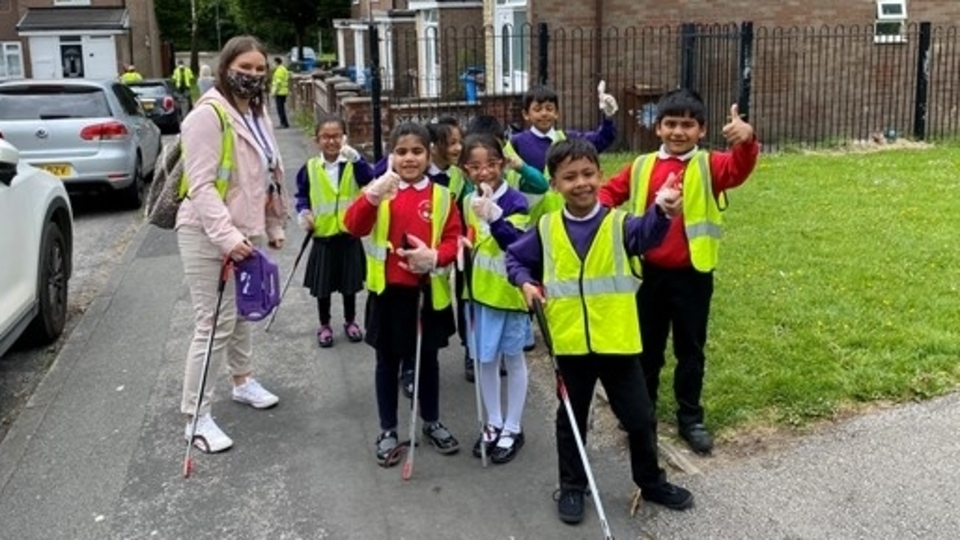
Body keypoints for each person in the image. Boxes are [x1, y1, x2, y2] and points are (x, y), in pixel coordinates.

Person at [506, 138, 694, 525]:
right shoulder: (545, 228)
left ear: (600, 175)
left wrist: (663, 210)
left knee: (640, 418)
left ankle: (651, 481)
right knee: (571, 419)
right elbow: (516, 258)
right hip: (571, 344)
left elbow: (648, 233)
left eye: (588, 174)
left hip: (618, 342)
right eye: (570, 177)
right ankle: (572, 486)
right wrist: (524, 281)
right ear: (554, 184)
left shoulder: (619, 224)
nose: (581, 183)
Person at [598, 88, 759, 455]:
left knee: (691, 349)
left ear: (701, 130)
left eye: (688, 125)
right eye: (671, 124)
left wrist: (747, 141)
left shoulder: (709, 164)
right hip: (647, 275)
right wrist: (611, 226)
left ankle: (691, 417)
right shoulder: (642, 166)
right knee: (646, 349)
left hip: (692, 275)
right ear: (658, 128)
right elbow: (608, 194)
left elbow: (739, 169)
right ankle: (643, 412)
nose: (678, 132)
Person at [176, 35, 288, 453]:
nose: (254, 75)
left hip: (247, 230)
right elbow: (202, 186)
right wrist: (228, 238)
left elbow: (270, 174)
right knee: (213, 324)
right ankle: (196, 417)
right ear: (226, 69)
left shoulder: (258, 114)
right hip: (208, 234)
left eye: (260, 69)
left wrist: (273, 225)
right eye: (246, 68)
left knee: (242, 313)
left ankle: (242, 382)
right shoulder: (208, 115)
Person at [343, 122, 461, 467]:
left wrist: (435, 257)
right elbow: (353, 226)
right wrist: (371, 196)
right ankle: (388, 429)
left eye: (417, 151)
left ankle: (432, 421)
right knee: (387, 363)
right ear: (391, 155)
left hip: (426, 294)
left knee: (428, 362)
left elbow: (455, 239)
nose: (409, 158)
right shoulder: (380, 190)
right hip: (389, 294)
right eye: (401, 152)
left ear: (429, 155)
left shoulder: (441, 196)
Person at [459, 134, 531, 464]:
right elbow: (470, 241)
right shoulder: (466, 200)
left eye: (490, 164)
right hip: (479, 295)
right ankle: (494, 422)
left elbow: (514, 244)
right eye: (474, 166)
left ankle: (513, 426)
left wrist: (493, 216)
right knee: (484, 360)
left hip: (510, 294)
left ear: (502, 164)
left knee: (513, 359)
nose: (483, 172)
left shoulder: (516, 201)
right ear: (464, 170)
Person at [294, 114, 374, 348]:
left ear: (344, 138)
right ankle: (324, 324)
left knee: (350, 285)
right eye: (325, 137)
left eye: (336, 136)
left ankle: (350, 321)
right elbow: (301, 195)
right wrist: (304, 213)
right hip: (323, 236)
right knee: (324, 287)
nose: (331, 141)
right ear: (316, 139)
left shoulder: (352, 164)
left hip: (348, 235)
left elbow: (370, 179)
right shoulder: (309, 168)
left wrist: (357, 158)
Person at [507, 82, 619, 224]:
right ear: (526, 114)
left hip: (565, 214)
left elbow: (601, 139)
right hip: (530, 217)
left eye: (549, 109)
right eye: (537, 109)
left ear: (557, 113)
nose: (544, 113)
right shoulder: (516, 143)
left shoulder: (567, 139)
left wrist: (608, 117)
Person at [271, 57, 290, 128]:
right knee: (281, 108)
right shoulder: (283, 69)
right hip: (284, 91)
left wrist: (273, 92)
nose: (273, 64)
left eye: (273, 63)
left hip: (280, 92)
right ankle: (285, 123)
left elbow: (278, 82)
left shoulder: (279, 71)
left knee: (280, 109)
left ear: (276, 62)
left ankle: (283, 123)